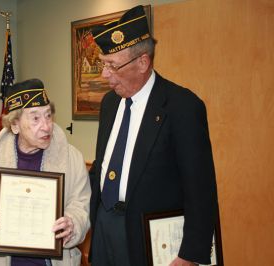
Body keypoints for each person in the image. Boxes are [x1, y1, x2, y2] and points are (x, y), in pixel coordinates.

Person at [88, 5, 219, 266]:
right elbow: (101, 166)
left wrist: (190, 254)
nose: (104, 75)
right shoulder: (109, 104)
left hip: (147, 237)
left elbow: (201, 189)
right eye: (103, 65)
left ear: (142, 62)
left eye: (112, 66)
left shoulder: (181, 107)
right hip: (104, 227)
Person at [0, 79, 91, 266]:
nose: (46, 126)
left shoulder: (73, 159)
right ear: (14, 125)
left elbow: (81, 207)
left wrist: (73, 223)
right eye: (35, 118)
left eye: (48, 116)